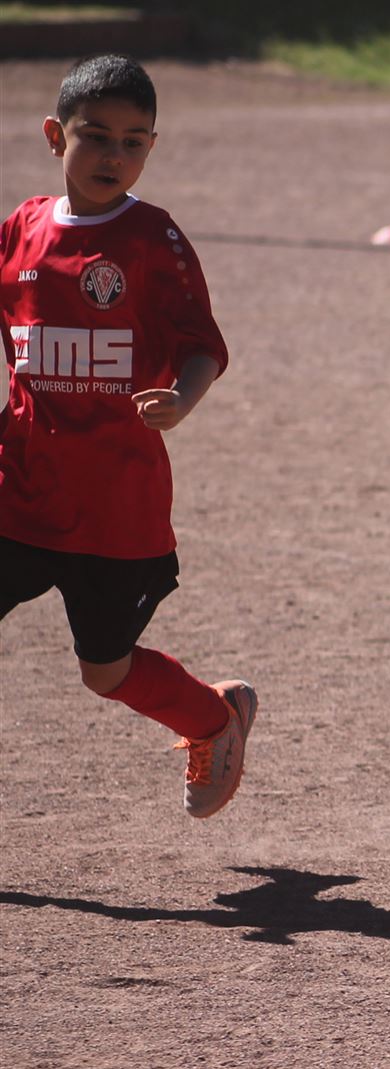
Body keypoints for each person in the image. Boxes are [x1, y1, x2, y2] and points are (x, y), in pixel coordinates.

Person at [0, 54, 254, 819]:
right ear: (56, 136)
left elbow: (201, 344)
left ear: (151, 148)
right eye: (96, 136)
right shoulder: (22, 229)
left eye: (133, 142)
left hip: (115, 510)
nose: (114, 155)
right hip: (19, 491)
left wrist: (182, 398)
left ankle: (212, 717)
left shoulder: (150, 238)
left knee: (104, 672)